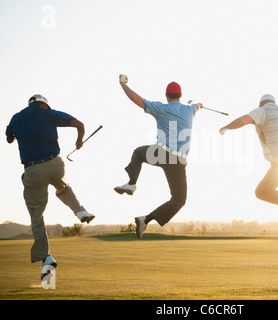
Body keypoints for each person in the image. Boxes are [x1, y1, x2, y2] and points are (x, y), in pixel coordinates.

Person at [5, 94, 95, 281]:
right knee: (63, 187)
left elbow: (9, 138)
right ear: (43, 104)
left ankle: (46, 258)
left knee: (36, 214)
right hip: (55, 163)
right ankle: (80, 211)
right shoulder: (48, 113)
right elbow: (80, 124)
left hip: (33, 170)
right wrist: (79, 141)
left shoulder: (16, 117)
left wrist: (20, 133)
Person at [115, 75, 202, 239]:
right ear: (180, 96)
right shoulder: (190, 110)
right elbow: (196, 106)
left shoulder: (161, 108)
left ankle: (133, 186)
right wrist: (198, 104)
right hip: (179, 161)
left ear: (166, 95)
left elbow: (135, 99)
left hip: (162, 153)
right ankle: (146, 220)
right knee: (179, 200)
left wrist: (122, 84)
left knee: (138, 153)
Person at [219, 94, 278, 207]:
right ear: (274, 103)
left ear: (260, 104)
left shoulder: (262, 111)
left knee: (261, 192)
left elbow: (243, 120)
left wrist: (226, 127)